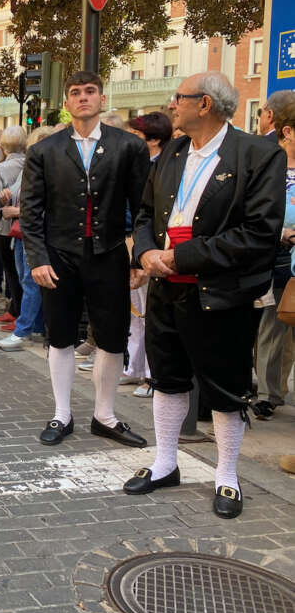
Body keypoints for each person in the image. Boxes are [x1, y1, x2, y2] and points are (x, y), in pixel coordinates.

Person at [123, 72, 285, 519]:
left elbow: (259, 233)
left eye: (180, 98)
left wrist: (183, 257)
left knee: (225, 386)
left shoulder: (258, 155)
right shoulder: (172, 152)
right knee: (168, 375)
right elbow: (143, 213)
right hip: (166, 287)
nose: (172, 104)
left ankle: (227, 475)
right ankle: (165, 462)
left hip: (221, 292)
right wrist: (147, 251)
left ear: (206, 105)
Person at [21, 70, 150, 448]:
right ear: (66, 101)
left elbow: (142, 207)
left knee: (112, 337)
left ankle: (105, 415)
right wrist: (37, 258)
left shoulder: (129, 147)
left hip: (109, 254)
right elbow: (31, 211)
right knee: (60, 334)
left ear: (101, 97)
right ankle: (62, 414)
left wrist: (138, 257)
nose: (83, 98)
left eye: (90, 91)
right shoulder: (45, 150)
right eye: (75, 92)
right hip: (59, 255)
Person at [123, 111, 174, 394]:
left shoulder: (162, 168)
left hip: (152, 251)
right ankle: (136, 369)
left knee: (149, 315)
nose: (129, 141)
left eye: (136, 136)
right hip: (135, 245)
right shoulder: (140, 166)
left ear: (153, 140)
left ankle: (152, 376)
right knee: (136, 313)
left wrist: (140, 254)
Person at [252, 90, 295, 419]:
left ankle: (277, 389)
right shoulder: (268, 161)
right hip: (273, 256)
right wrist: (279, 234)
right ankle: (267, 392)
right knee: (272, 325)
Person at [0, 125, 57, 351]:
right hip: (24, 233)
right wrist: (7, 196)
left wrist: (18, 211)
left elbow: (49, 206)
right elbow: (18, 193)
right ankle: (37, 326)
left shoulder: (53, 171)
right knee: (26, 280)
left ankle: (23, 330)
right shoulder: (31, 169)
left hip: (37, 233)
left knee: (31, 281)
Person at [0, 126, 27, 331]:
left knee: (12, 271)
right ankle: (15, 309)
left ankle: (16, 310)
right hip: (22, 225)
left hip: (5, 225)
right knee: (18, 270)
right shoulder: (29, 163)